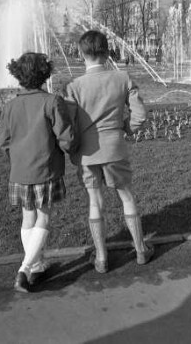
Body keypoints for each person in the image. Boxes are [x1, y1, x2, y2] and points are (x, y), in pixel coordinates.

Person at [66, 31, 154, 274]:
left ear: (81, 54)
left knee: (95, 201)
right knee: (126, 197)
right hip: (114, 148)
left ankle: (102, 258)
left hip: (87, 154)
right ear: (107, 52)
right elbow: (140, 115)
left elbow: (69, 125)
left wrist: (73, 147)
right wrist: (126, 128)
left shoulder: (73, 86)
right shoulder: (122, 78)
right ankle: (140, 251)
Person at [0, 52, 76, 293]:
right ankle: (24, 269)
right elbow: (66, 138)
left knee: (28, 218)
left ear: (18, 76)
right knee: (43, 218)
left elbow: (4, 141)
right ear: (44, 74)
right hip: (45, 169)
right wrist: (71, 148)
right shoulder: (51, 102)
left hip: (20, 171)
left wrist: (16, 159)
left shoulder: (10, 106)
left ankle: (37, 265)